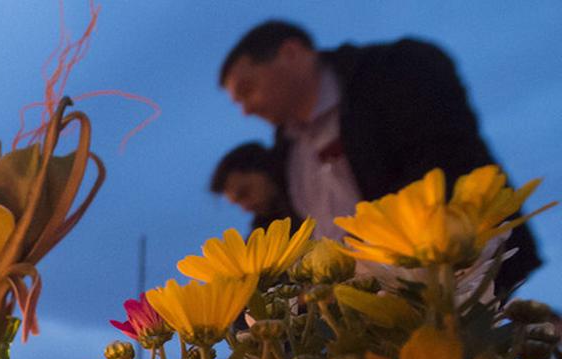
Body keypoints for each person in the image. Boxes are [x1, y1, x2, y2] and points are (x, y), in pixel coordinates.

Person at [219, 20, 542, 294]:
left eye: (247, 89)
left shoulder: (396, 70)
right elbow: (277, 230)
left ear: (290, 53)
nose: (246, 110)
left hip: (464, 277)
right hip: (363, 312)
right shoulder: (285, 152)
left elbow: (446, 163)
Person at [209, 142, 300, 231]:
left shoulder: (305, 172)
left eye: (244, 193)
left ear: (263, 167)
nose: (246, 208)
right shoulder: (265, 226)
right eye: (238, 203)